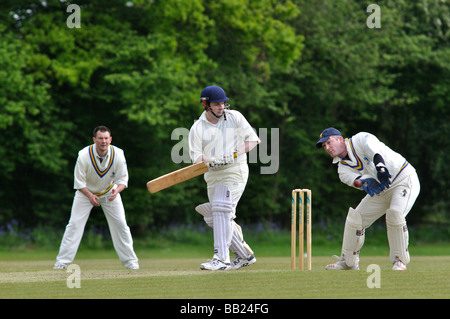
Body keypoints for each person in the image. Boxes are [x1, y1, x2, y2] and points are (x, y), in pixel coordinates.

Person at [316, 127, 420, 271]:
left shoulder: (360, 139)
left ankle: (399, 261)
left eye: (329, 142)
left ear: (339, 139)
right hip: (381, 190)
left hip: (403, 178)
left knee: (395, 214)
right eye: (324, 146)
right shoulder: (342, 170)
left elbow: (376, 152)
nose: (327, 148)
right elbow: (356, 181)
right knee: (355, 218)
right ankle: (349, 262)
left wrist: (381, 168)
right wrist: (365, 182)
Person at [189, 85, 260, 270]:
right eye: (217, 103)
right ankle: (245, 255)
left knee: (221, 208)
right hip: (213, 177)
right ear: (206, 104)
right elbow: (196, 159)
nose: (221, 107)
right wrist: (213, 160)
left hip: (236, 171)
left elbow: (252, 140)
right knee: (215, 215)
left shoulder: (234, 116)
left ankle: (221, 258)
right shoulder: (197, 128)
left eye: (223, 103)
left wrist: (235, 153)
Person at [54, 126, 139, 270]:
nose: (103, 142)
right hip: (85, 193)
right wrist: (90, 195)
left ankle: (131, 263)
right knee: (74, 225)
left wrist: (116, 191)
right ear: (94, 140)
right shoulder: (83, 155)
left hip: (109, 193)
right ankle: (61, 263)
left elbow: (123, 180)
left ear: (110, 139)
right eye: (100, 138)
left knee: (121, 225)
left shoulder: (118, 154)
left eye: (106, 138)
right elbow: (79, 182)